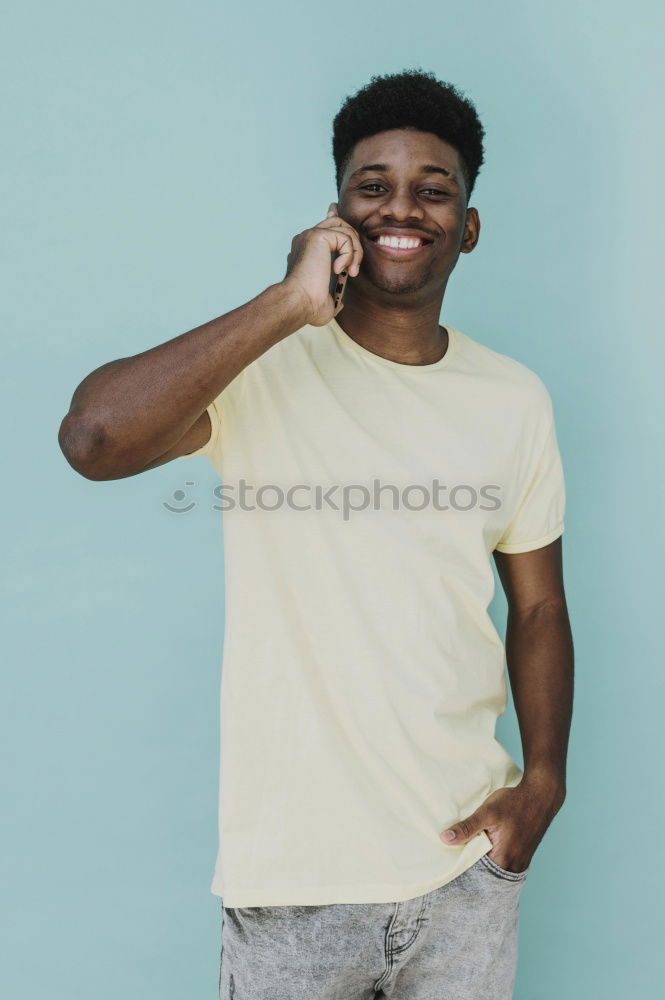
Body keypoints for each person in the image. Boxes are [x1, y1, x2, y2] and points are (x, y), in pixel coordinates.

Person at [59, 68, 574, 999]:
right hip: (292, 883)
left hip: (464, 867)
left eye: (433, 188)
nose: (400, 207)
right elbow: (93, 439)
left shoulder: (514, 399)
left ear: (467, 227)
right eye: (371, 186)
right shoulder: (262, 368)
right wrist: (287, 303)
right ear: (335, 214)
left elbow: (538, 608)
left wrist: (542, 783)